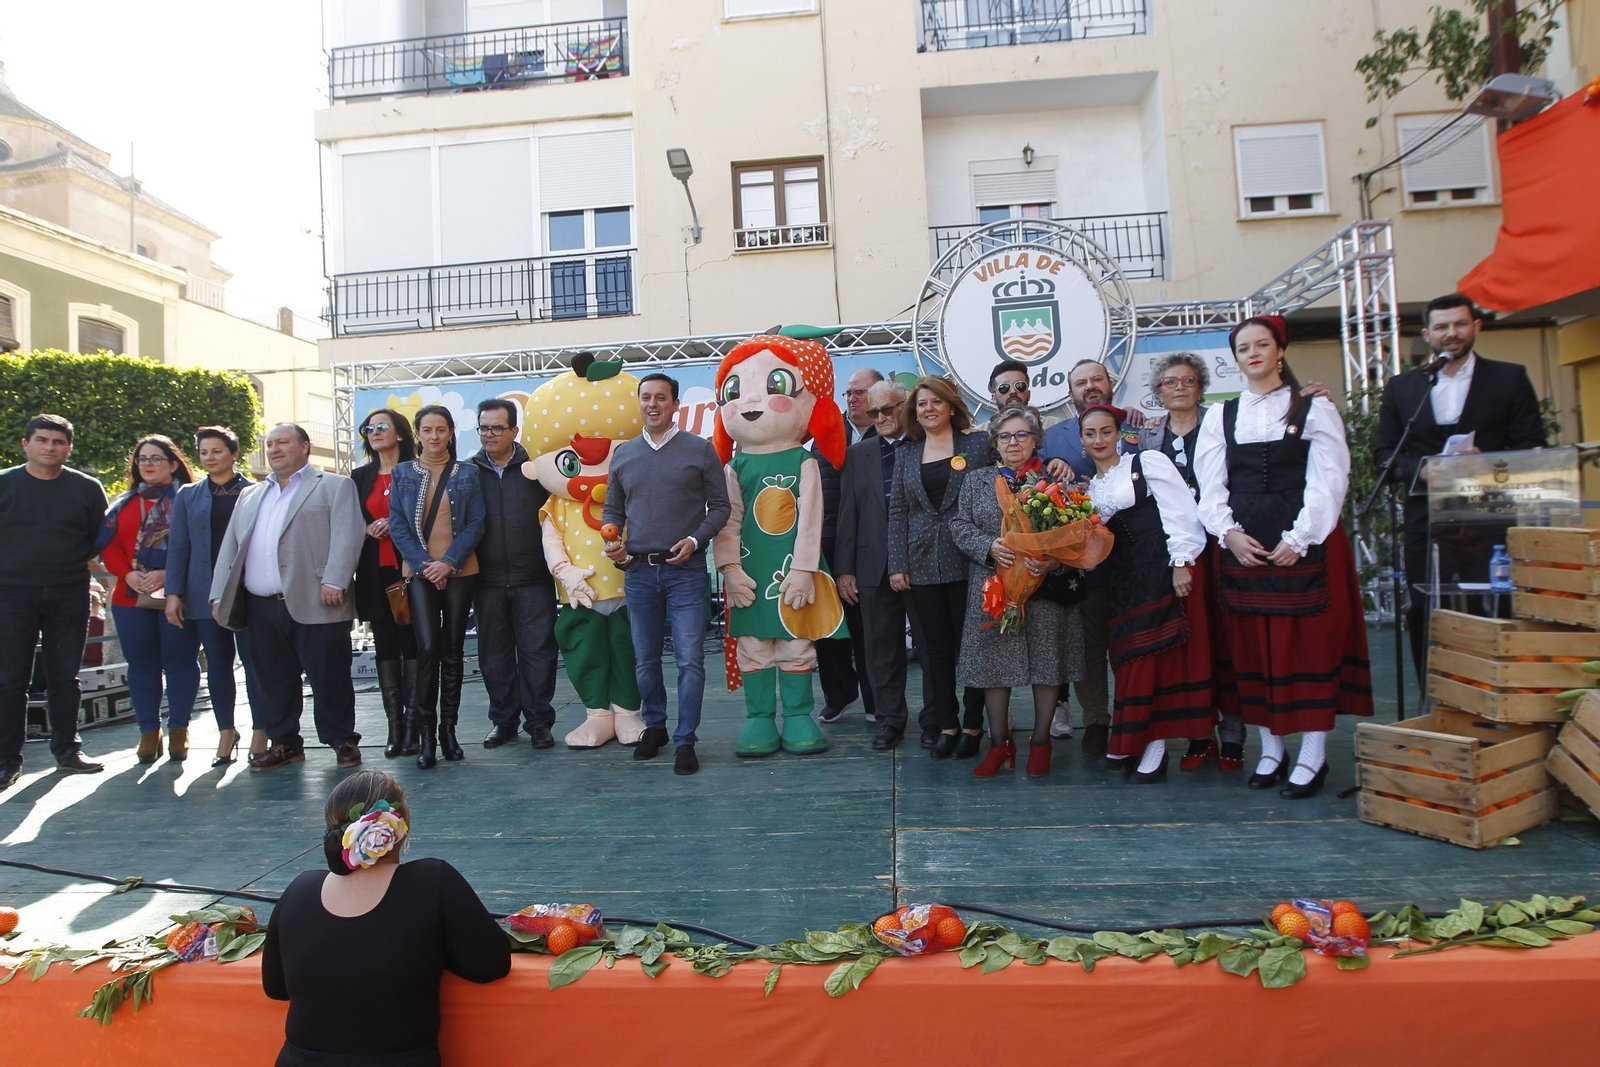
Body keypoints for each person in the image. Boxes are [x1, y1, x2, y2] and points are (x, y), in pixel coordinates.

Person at [1194, 316, 1374, 799]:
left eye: (1261, 345)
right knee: (1254, 647)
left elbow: (1330, 478)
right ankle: (1271, 749)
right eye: (1243, 348)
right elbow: (1210, 487)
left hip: (1302, 544)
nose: (1252, 353)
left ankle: (1313, 753)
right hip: (1246, 546)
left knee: (1307, 647)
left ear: (1279, 351)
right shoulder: (1221, 415)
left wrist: (1302, 537)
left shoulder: (1313, 408)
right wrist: (1228, 533)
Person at [262, 769, 510, 1067]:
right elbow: (491, 964)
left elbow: (276, 988)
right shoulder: (432, 880)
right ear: (399, 825)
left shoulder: (300, 889)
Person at [1373, 293, 1546, 679]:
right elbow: (1384, 454)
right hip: (1427, 517)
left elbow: (1532, 448)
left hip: (1490, 515)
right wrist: (1422, 470)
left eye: (1460, 324)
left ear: (1476, 327)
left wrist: (1488, 464)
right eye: (1442, 327)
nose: (1452, 333)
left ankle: (1495, 691)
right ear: (1427, 334)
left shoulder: (1509, 377)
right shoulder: (1404, 388)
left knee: (1492, 603)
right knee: (1424, 604)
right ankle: (1435, 698)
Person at [211, 424, 365, 772]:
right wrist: (219, 594)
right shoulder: (250, 496)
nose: (274, 449)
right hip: (260, 605)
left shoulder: (334, 486)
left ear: (305, 447)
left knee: (329, 676)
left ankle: (341, 740)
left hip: (319, 599)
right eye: (269, 444)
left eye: (283, 442)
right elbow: (231, 549)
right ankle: (285, 745)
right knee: (272, 678)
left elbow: (348, 536)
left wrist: (336, 580)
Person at [603, 373, 731, 775]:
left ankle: (685, 740)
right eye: (646, 398)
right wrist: (615, 545)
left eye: (661, 398)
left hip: (687, 572)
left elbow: (721, 507)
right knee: (644, 659)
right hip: (639, 572)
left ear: (675, 404)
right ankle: (654, 726)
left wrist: (696, 540)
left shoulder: (700, 449)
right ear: (638, 403)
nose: (653, 404)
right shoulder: (624, 454)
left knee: (690, 659)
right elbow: (612, 513)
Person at [1082, 405, 1215, 783]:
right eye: (1090, 434)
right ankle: (1130, 742)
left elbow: (1181, 510)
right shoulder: (1091, 488)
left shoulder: (1147, 461)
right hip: (1124, 579)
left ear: (1119, 433)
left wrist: (1180, 562)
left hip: (1158, 566)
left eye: (1106, 432)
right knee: (1128, 658)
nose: (1099, 440)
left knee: (1154, 661)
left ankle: (1154, 750)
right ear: (1082, 440)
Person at [950, 405, 1084, 776]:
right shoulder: (976, 480)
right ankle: (998, 745)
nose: (1014, 442)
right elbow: (959, 526)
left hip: (1044, 591)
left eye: (1022, 434)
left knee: (1046, 667)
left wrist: (1054, 561)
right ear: (995, 442)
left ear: (1036, 439)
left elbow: (1078, 532)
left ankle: (1041, 743)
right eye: (1005, 436)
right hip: (996, 587)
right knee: (994, 669)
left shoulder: (1056, 480)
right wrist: (988, 545)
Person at [1137, 353, 1244, 772]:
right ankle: (1200, 733)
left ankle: (1232, 733)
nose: (1179, 387)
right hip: (1175, 551)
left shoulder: (1225, 425)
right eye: (1169, 382)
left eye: (1187, 380)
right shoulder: (1146, 438)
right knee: (1189, 641)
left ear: (1201, 385)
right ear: (1158, 392)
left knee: (1227, 636)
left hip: (1222, 544)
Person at [0, 414, 107, 790]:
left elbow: (99, 538)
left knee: (65, 677)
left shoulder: (87, 488)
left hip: (68, 591)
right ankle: (6, 760)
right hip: (11, 594)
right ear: (25, 444)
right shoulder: (4, 484)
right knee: (10, 679)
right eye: (42, 440)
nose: (49, 446)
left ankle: (67, 751)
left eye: (57, 441)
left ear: (68, 448)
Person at [1038, 359, 1139, 754]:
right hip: (1084, 564)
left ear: (1111, 383)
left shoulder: (1139, 425)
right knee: (1090, 647)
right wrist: (1050, 465)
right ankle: (1096, 720)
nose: (1090, 386)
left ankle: (1134, 715)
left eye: (1097, 379)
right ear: (1070, 392)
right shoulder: (1053, 437)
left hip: (1134, 560)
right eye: (1081, 382)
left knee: (1133, 644)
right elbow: (1039, 477)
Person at [887, 376, 992, 754]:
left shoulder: (979, 444)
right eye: (921, 404)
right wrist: (897, 564)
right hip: (923, 563)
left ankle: (974, 726)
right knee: (936, 649)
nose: (928, 409)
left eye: (936, 402)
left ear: (951, 406)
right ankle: (947, 724)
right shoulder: (906, 453)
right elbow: (898, 510)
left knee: (974, 646)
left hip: (972, 560)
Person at [389, 405, 486, 771]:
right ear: (417, 434)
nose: (434, 437)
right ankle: (426, 735)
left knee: (453, 649)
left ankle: (449, 731)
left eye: (440, 430)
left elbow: (477, 523)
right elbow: (397, 525)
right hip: (419, 573)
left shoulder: (468, 473)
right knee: (427, 646)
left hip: (461, 570)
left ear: (450, 433)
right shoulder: (402, 474)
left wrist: (449, 563)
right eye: (427, 430)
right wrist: (425, 565)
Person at [97, 435, 202, 763]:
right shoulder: (123, 503)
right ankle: (147, 731)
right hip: (130, 596)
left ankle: (178, 729)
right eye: (143, 459)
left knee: (181, 662)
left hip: (177, 594)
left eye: (156, 459)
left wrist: (166, 575)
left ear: (173, 464)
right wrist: (128, 574)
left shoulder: (189, 499)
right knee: (141, 665)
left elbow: (196, 544)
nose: (148, 465)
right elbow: (109, 546)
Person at [165, 426, 260, 766]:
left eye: (216, 451)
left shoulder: (258, 491)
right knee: (218, 664)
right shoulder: (187, 495)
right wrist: (173, 594)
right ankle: (226, 731)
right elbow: (178, 547)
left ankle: (261, 730)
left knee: (255, 663)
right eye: (204, 452)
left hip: (249, 589)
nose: (209, 458)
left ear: (233, 454)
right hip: (204, 592)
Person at [469, 398, 560, 751]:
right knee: (494, 655)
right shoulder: (468, 471)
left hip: (533, 576)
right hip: (486, 580)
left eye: (496, 428)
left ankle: (539, 722)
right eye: (483, 428)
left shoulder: (537, 469)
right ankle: (503, 722)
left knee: (539, 651)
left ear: (514, 431)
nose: (488, 435)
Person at [837, 380, 915, 750]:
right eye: (874, 412)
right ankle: (889, 720)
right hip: (871, 565)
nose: (880, 418)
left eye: (888, 409)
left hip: (922, 562)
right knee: (880, 649)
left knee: (933, 648)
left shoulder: (925, 446)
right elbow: (847, 514)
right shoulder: (859, 454)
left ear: (905, 406)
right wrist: (845, 569)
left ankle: (938, 719)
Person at [813, 366, 884, 725]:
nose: (853, 398)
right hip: (826, 543)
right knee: (829, 627)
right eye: (849, 393)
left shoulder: (888, 431)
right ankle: (840, 694)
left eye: (861, 392)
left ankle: (876, 699)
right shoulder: (827, 431)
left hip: (871, 543)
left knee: (868, 628)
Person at [351, 410, 421, 759]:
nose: (374, 432)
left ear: (399, 434)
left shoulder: (417, 470)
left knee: (413, 645)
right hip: (373, 572)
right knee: (386, 648)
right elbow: (350, 521)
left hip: (410, 570)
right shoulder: (358, 476)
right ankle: (395, 727)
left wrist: (395, 525)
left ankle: (415, 726)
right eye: (369, 428)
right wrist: (366, 528)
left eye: (382, 427)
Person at [987, 360, 1061, 429]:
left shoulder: (1052, 426)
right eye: (1004, 387)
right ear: (994, 397)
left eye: (1020, 386)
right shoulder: (981, 434)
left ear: (1028, 394)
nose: (1013, 391)